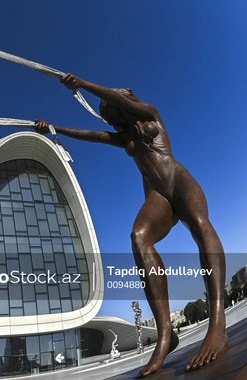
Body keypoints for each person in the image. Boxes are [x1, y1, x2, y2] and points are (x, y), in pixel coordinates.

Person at [34, 74, 228, 378]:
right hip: (158, 198)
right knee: (139, 237)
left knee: (201, 225)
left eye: (115, 101)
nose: (114, 110)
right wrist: (55, 128)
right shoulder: (126, 138)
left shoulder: (150, 113)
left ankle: (217, 324)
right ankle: (166, 334)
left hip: (179, 183)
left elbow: (120, 101)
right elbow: (92, 135)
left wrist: (82, 84)